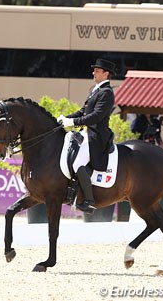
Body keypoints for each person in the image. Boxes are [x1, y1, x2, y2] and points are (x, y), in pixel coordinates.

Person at [57, 58, 116, 214]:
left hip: (97, 136)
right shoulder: (96, 90)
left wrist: (73, 121)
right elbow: (83, 111)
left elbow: (96, 116)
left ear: (106, 74)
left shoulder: (107, 93)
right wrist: (64, 119)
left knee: (78, 164)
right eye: (94, 70)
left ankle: (88, 201)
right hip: (86, 133)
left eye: (97, 70)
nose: (93, 72)